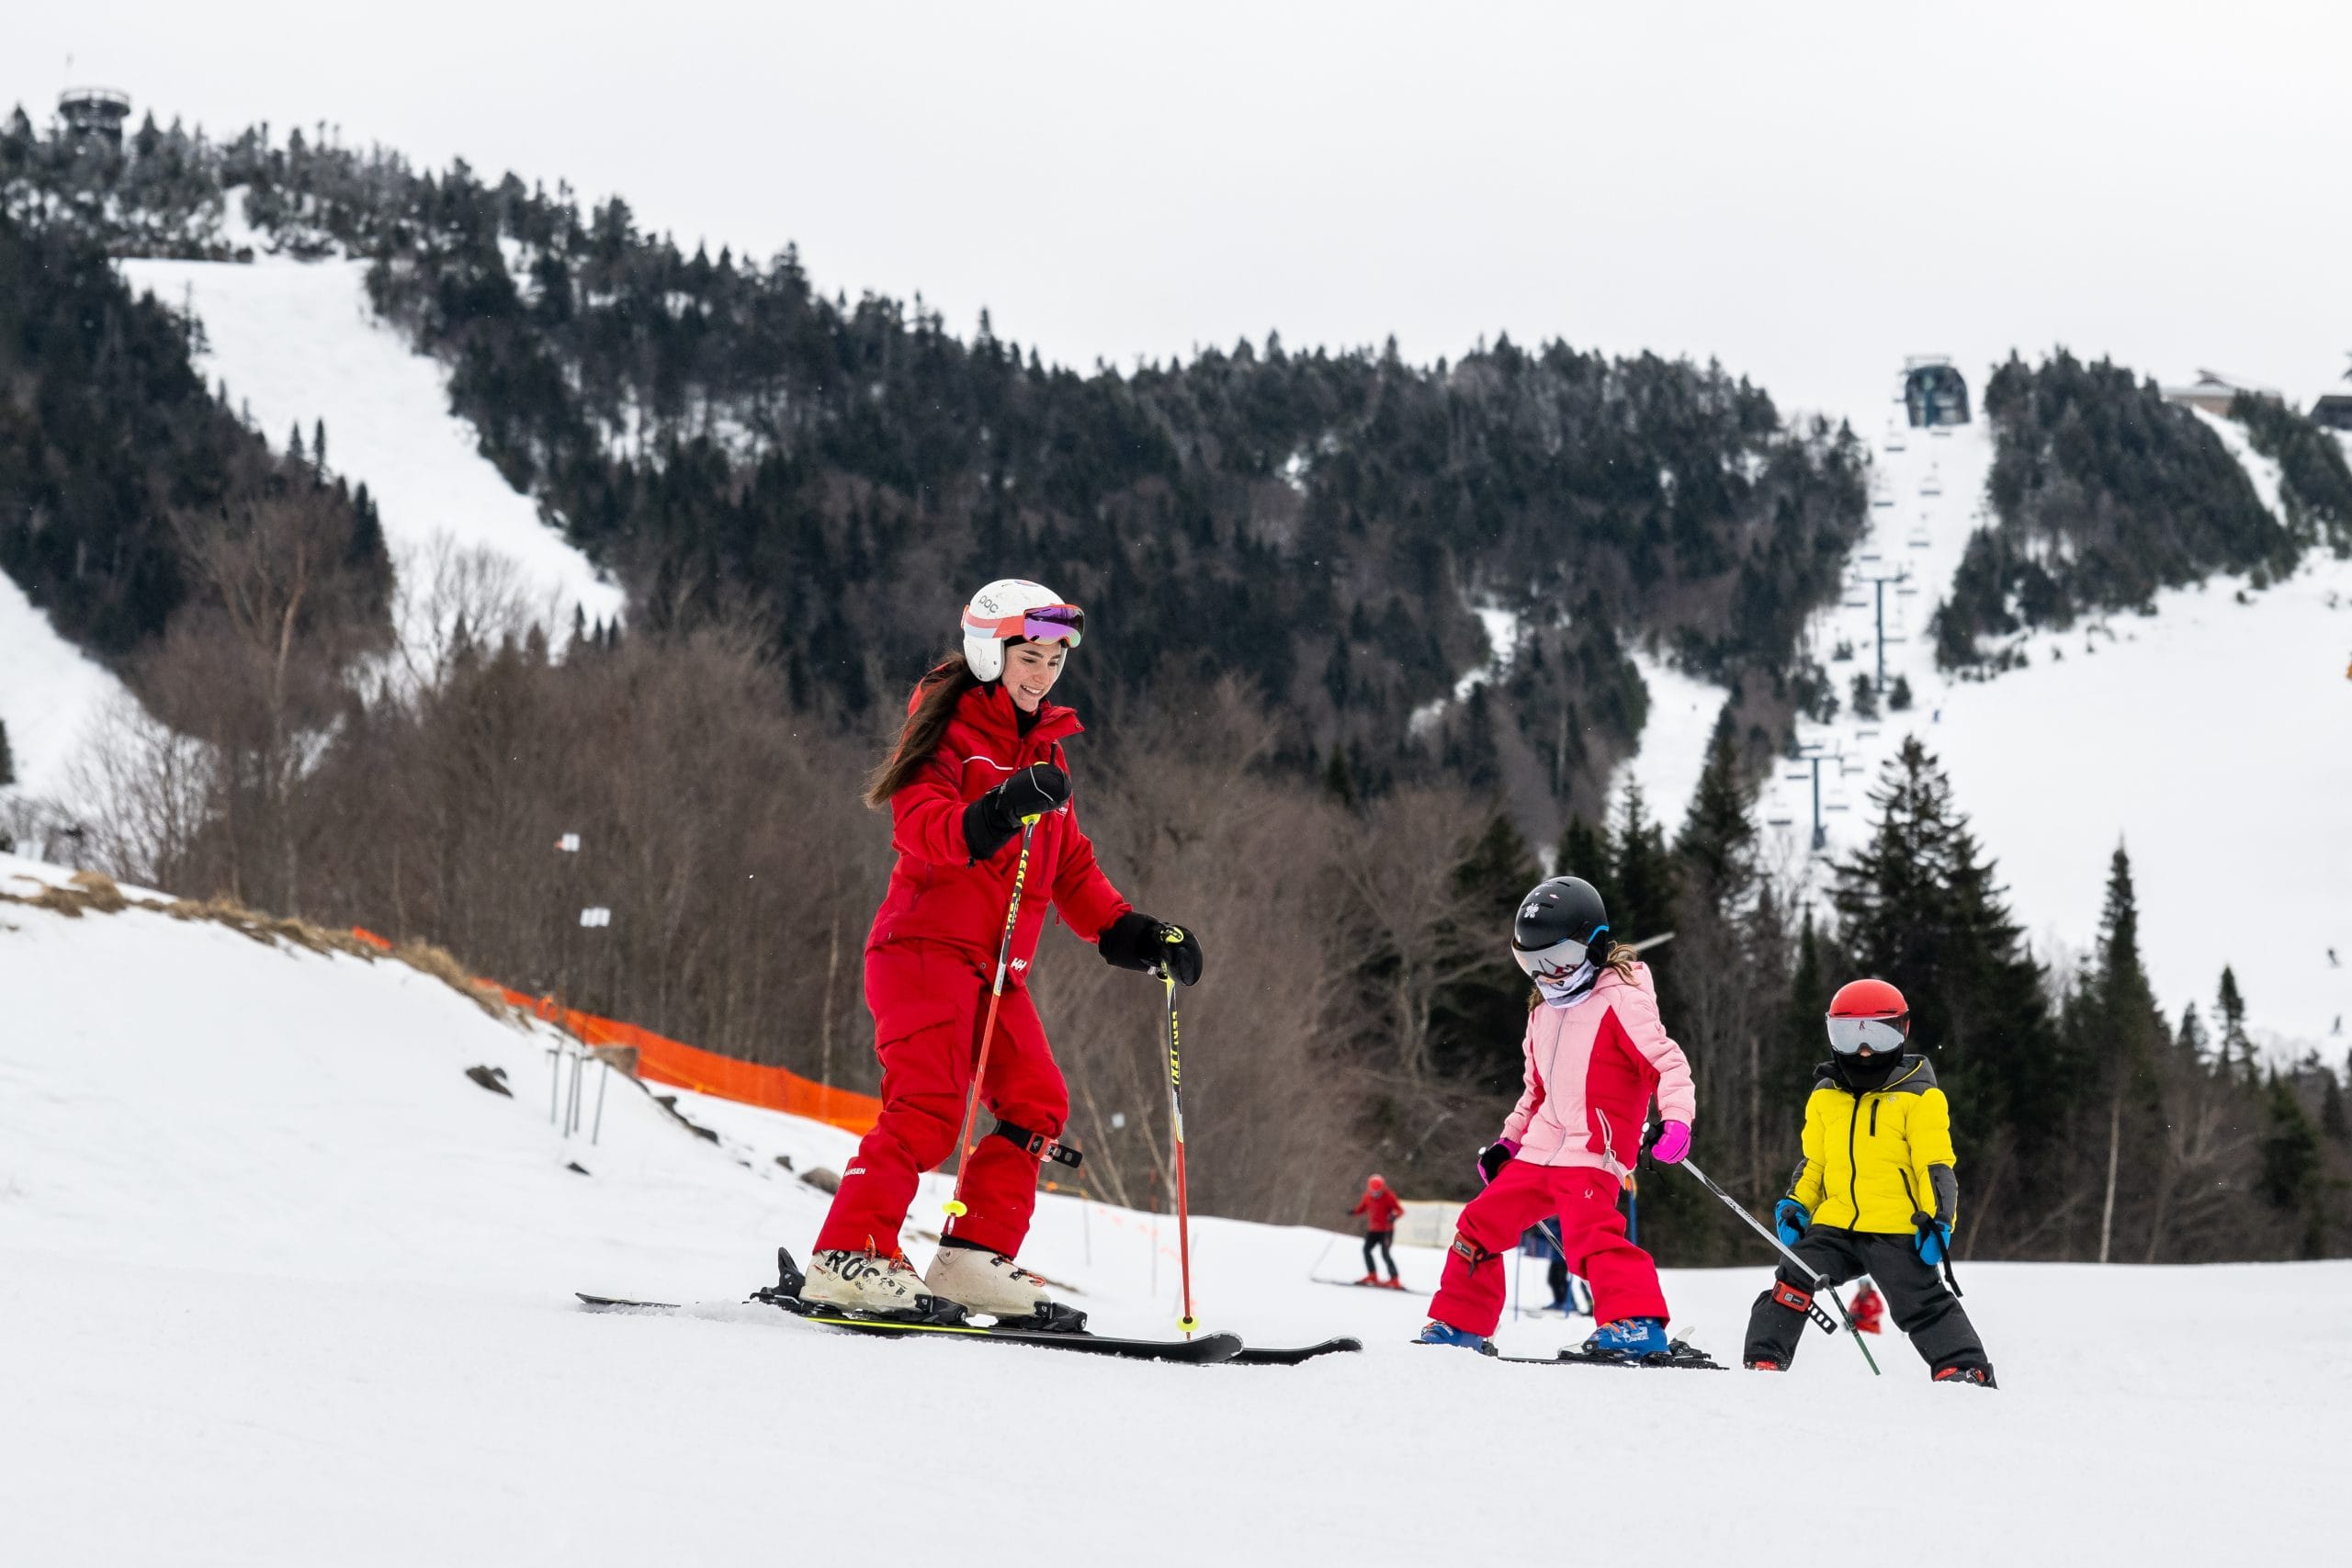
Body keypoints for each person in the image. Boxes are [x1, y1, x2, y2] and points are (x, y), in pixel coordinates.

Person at [797, 579, 1204, 1320]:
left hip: (994, 973)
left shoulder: (1047, 751)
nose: (1042, 674)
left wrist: (1135, 933)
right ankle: (847, 1254)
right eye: (1029, 657)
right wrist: (994, 811)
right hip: (921, 951)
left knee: (1037, 1102)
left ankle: (973, 1256)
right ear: (991, 653)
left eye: (1054, 660)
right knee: (927, 1108)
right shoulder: (949, 733)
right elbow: (920, 823)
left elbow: (1071, 867)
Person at [1416, 875, 1696, 1358]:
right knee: (1478, 1225)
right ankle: (1461, 1325)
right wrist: (1509, 1142)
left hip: (1593, 1150)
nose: (1549, 976)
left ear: (1596, 946)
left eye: (1560, 960)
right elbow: (1535, 1092)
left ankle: (1636, 1324)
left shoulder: (1621, 1000)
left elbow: (1666, 1065)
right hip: (1539, 1151)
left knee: (1591, 1236)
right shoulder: (1542, 1012)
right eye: (1533, 963)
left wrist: (1676, 1121)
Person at [1742, 977, 1995, 1385]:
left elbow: (1934, 1166)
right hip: (1836, 1224)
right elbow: (1815, 1163)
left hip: (1896, 1226)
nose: (1863, 1051)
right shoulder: (1826, 1096)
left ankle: (1964, 1367)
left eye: (1877, 1037)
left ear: (1901, 1032)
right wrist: (1797, 1204)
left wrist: (1938, 1219)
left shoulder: (1919, 1098)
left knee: (1920, 1299)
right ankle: (1764, 1361)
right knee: (1793, 1275)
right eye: (1849, 1037)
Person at [1350, 1174, 1406, 1287]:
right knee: (1366, 1250)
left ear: (1383, 1189)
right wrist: (1354, 1212)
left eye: (1378, 1192)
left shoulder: (1389, 1196)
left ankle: (1394, 1279)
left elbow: (1400, 1211)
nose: (1375, 1195)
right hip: (1373, 1230)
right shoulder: (1367, 1196)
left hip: (1386, 1231)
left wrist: (1394, 1216)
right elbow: (1362, 1208)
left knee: (1385, 1254)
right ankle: (1372, 1275)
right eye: (1373, 1192)